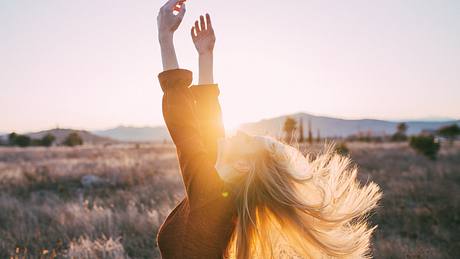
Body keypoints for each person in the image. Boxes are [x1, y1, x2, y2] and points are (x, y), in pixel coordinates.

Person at [156, 1, 382, 258]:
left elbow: (183, 127)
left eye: (248, 142)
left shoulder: (210, 196)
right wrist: (205, 57)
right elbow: (210, 133)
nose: (239, 134)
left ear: (242, 166)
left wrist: (165, 37)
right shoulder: (223, 194)